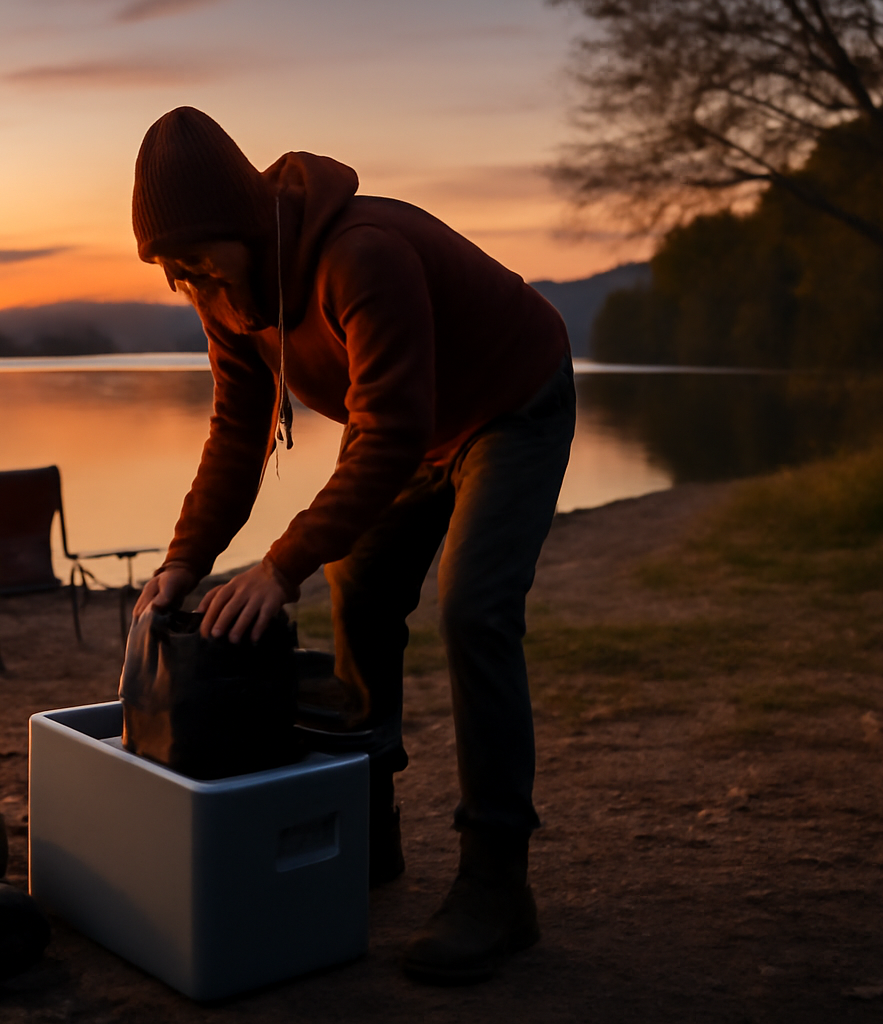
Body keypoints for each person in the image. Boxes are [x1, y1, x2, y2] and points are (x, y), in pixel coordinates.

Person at [129, 107, 575, 985]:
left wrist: (280, 564)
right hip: (414, 430)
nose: (192, 286)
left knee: (475, 608)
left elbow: (390, 431)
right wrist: (185, 558)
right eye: (174, 271)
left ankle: (498, 885)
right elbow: (235, 430)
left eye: (197, 261)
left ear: (245, 222)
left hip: (509, 404)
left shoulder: (360, 255)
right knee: (360, 589)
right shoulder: (228, 295)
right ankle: (364, 829)